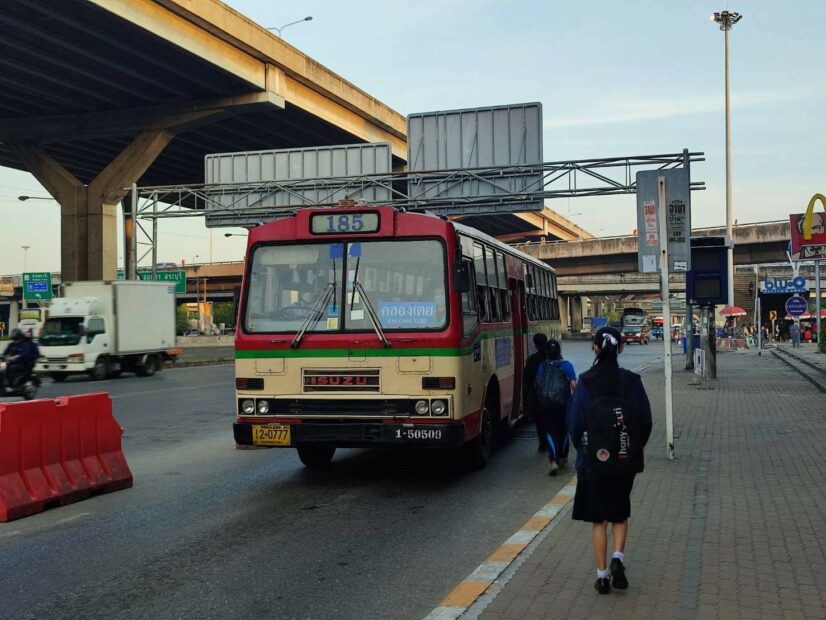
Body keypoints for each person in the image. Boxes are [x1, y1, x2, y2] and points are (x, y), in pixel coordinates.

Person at [566, 326, 653, 595]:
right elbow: (645, 422)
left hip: (594, 462)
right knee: (619, 512)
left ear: (595, 348)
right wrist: (632, 448)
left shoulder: (585, 382)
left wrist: (584, 451)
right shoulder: (632, 381)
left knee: (598, 519)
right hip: (624, 460)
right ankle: (618, 557)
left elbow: (575, 424)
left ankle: (602, 576)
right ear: (621, 349)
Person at [535, 339, 577, 476]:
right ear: (559, 350)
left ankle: (553, 460)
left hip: (546, 405)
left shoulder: (541, 366)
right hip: (563, 404)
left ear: (547, 352)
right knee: (564, 430)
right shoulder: (566, 365)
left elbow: (538, 384)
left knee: (550, 431)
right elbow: (574, 385)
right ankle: (563, 457)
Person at [523, 332, 548, 452]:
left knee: (540, 421)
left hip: (538, 395)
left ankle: (543, 444)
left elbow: (527, 377)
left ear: (536, 345)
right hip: (554, 395)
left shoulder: (532, 359)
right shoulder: (554, 358)